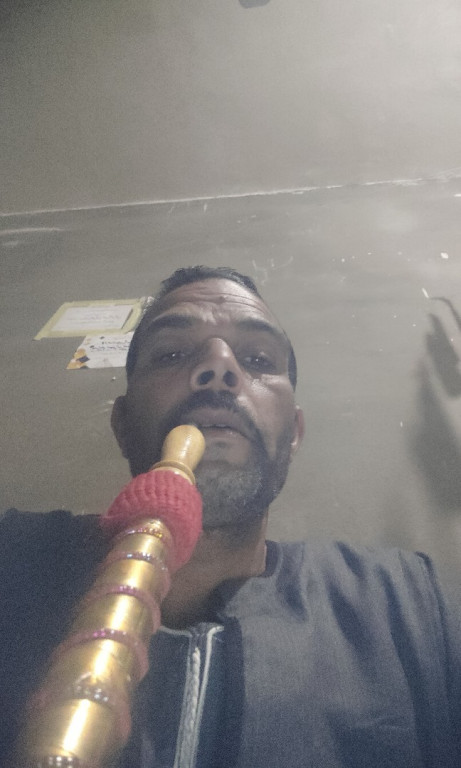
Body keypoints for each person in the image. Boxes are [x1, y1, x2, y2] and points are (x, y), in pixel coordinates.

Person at [1, 265, 461, 768]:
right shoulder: (14, 561)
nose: (218, 367)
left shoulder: (402, 606)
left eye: (258, 359)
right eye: (171, 354)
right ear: (123, 425)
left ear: (293, 434)